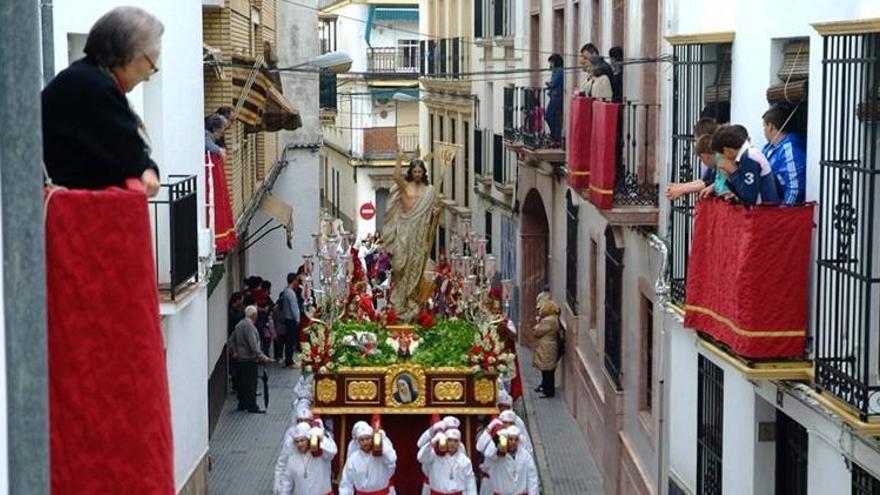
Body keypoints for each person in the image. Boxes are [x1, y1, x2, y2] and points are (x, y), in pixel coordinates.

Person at [42, 6, 163, 196]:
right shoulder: (96, 88)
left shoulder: (87, 77)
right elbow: (129, 154)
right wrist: (147, 167)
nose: (149, 76)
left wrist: (147, 167)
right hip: (73, 213)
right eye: (151, 66)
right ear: (131, 55)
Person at [382, 152, 439, 322]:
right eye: (414, 172)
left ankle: (410, 301)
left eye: (419, 172)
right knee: (400, 264)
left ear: (423, 173)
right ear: (411, 173)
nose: (417, 174)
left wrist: (436, 213)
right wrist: (399, 159)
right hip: (404, 230)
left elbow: (433, 211)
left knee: (415, 266)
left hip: (419, 233)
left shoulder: (429, 191)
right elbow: (395, 176)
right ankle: (398, 301)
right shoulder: (405, 186)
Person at [711, 125, 780, 206]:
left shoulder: (749, 156)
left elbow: (749, 198)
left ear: (726, 150)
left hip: (765, 212)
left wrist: (733, 171)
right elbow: (742, 194)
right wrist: (729, 178)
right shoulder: (744, 156)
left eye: (721, 155)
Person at [228, 305, 272, 413]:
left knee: (243, 383)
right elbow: (253, 345)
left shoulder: (239, 324)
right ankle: (252, 406)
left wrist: (235, 351)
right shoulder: (249, 326)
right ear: (254, 315)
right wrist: (262, 357)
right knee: (251, 384)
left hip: (241, 359)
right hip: (249, 359)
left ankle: (242, 403)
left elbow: (231, 339)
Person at [762, 105, 806, 205]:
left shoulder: (790, 149)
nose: (763, 130)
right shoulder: (769, 147)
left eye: (764, 126)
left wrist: (783, 212)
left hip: (782, 213)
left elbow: (795, 189)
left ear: (770, 126)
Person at [276, 423, 338, 495]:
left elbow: (333, 451)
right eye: (297, 441)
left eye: (302, 440)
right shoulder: (292, 459)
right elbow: (287, 484)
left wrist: (320, 436)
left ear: (308, 440)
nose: (299, 444)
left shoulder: (321, 454)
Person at [339, 423, 398, 495]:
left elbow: (392, 458)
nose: (365, 442)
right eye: (362, 440)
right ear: (358, 442)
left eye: (367, 439)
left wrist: (381, 439)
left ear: (372, 438)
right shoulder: (352, 459)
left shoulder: (382, 455)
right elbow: (346, 483)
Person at [417, 428, 478, 495]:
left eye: (455, 441)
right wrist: (433, 441)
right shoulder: (434, 456)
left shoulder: (465, 461)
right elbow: (420, 457)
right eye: (450, 440)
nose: (452, 444)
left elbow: (470, 483)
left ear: (459, 443)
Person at [482, 426, 539, 495]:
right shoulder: (497, 456)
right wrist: (499, 437)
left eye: (516, 440)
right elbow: (488, 454)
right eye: (511, 439)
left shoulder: (526, 456)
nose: (513, 442)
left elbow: (532, 478)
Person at [531, 298, 560, 398]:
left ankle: (548, 391)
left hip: (546, 347)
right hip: (550, 346)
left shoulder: (548, 321)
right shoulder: (554, 318)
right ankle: (546, 388)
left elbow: (537, 331)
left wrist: (537, 324)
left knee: (547, 371)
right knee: (548, 371)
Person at [280, 273, 301, 367]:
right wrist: (297, 318)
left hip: (287, 318)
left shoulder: (286, 291)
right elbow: (294, 307)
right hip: (291, 319)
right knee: (290, 340)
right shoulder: (290, 293)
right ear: (294, 281)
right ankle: (289, 360)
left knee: (289, 340)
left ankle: (289, 359)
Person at [544, 53, 565, 145]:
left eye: (551, 62)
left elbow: (554, 83)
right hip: (554, 96)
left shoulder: (559, 71)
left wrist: (549, 84)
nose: (550, 65)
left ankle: (555, 136)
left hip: (556, 97)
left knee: (548, 116)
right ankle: (555, 136)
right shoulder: (555, 71)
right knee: (553, 117)